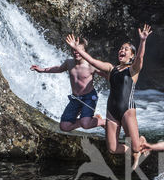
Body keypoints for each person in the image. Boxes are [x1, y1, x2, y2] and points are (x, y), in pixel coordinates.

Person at [65, 25, 152, 168]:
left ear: (131, 56)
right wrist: (78, 49)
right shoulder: (111, 69)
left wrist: (143, 41)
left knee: (137, 147)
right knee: (112, 148)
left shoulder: (133, 70)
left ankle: (139, 144)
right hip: (111, 110)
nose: (122, 50)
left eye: (126, 49)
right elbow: (93, 62)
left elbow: (140, 57)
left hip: (127, 110)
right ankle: (133, 151)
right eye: (121, 48)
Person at [30, 37, 105, 132]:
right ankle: (93, 119)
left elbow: (107, 74)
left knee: (85, 124)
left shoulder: (91, 65)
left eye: (79, 50)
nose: (76, 52)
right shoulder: (69, 63)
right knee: (64, 126)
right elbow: (59, 69)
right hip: (76, 98)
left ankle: (103, 122)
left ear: (85, 52)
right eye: (74, 50)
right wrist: (42, 70)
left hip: (89, 97)